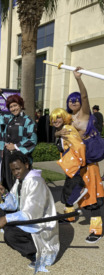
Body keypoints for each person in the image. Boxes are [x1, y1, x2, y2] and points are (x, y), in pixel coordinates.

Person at [58, 67, 104, 243]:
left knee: (92, 196)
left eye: (76, 100)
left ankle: (97, 230)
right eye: (71, 101)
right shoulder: (69, 119)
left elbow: (84, 97)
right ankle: (69, 216)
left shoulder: (85, 115)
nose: (74, 102)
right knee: (70, 190)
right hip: (74, 164)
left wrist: (78, 78)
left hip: (88, 164)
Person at [0, 152, 59, 273]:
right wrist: (5, 193)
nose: (15, 173)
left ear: (26, 165)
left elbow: (31, 213)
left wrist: (7, 219)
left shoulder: (35, 182)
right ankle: (28, 245)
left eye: (18, 168)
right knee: (2, 212)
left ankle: (37, 255)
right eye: (13, 170)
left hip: (40, 224)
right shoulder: (21, 180)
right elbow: (14, 203)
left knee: (10, 234)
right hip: (28, 217)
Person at [0, 89, 37, 191]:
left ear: (21, 105)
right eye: (11, 107)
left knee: (19, 183)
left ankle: (20, 204)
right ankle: (9, 203)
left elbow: (33, 140)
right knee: (7, 180)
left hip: (21, 157)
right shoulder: (8, 118)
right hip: (7, 156)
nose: (13, 108)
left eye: (15, 105)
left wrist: (16, 146)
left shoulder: (28, 121)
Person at [50, 108, 88, 221]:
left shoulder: (67, 129)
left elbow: (80, 146)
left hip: (74, 166)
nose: (55, 120)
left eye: (58, 117)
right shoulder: (62, 130)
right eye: (53, 118)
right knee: (68, 191)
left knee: (71, 191)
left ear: (64, 118)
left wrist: (81, 163)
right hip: (70, 166)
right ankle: (69, 216)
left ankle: (81, 190)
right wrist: (57, 134)